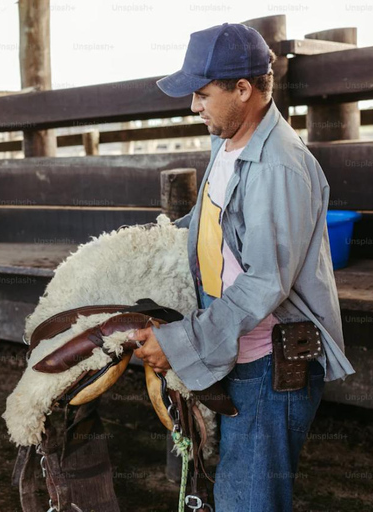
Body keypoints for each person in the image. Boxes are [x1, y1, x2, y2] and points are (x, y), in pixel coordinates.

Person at [127, 23, 355, 511]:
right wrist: (143, 245)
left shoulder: (277, 166)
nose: (194, 106)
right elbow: (213, 221)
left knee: (247, 500)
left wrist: (180, 342)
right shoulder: (231, 144)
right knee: (232, 487)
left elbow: (264, 282)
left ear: (244, 89)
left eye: (203, 94)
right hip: (238, 349)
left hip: (271, 364)